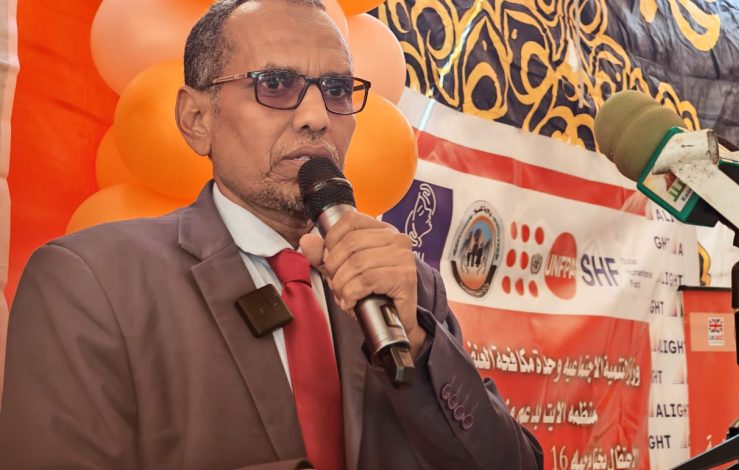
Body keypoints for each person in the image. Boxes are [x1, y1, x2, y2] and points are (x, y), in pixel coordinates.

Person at [0, 1, 542, 468]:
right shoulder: (92, 281)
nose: (316, 117)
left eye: (336, 89)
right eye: (276, 84)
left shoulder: (406, 287)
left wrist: (421, 348)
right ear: (196, 119)